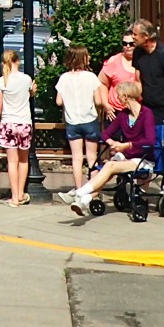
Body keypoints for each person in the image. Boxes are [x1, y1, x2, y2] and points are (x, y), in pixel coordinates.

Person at [56, 80, 157, 214]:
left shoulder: (146, 113)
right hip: (127, 157)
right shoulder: (123, 115)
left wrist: (126, 145)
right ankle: (85, 199)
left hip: (142, 158)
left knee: (109, 166)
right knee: (108, 168)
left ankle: (78, 193)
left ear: (125, 96)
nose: (117, 98)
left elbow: (150, 141)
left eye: (119, 95)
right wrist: (112, 142)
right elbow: (104, 134)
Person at [130, 19, 164, 194]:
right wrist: (135, 105)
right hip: (147, 108)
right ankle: (142, 189)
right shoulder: (138, 53)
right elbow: (137, 80)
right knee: (145, 149)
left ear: (146, 36)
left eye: (135, 35)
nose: (132, 38)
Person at [54, 46, 103, 190]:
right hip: (89, 119)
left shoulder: (64, 78)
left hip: (72, 121)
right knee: (92, 157)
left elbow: (58, 101)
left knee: (77, 158)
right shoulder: (91, 77)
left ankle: (79, 188)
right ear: (84, 58)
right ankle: (93, 189)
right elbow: (99, 101)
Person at [0, 48, 36, 205]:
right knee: (24, 161)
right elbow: (29, 94)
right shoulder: (26, 79)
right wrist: (32, 93)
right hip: (24, 122)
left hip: (8, 122)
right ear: (18, 61)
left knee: (12, 161)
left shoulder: (1, 81)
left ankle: (14, 197)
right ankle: (21, 193)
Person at [98, 32, 138, 117]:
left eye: (131, 44)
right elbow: (102, 83)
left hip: (136, 110)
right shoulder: (114, 61)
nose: (127, 46)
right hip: (116, 111)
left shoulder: (143, 61)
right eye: (124, 43)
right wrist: (106, 104)